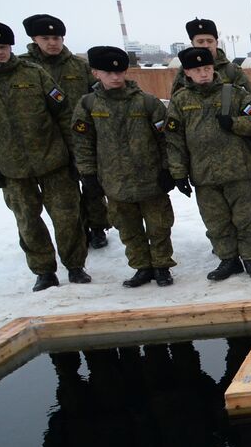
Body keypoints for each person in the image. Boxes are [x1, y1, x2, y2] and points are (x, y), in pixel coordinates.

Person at [0, 18, 90, 291]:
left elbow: (63, 115)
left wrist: (75, 155)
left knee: (67, 217)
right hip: (9, 165)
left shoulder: (32, 72)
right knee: (27, 221)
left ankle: (75, 266)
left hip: (53, 159)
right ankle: (44, 271)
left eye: (3, 46)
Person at [72, 46, 177, 288]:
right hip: (114, 181)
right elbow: (82, 142)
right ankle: (142, 267)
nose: (115, 77)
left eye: (119, 71)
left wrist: (167, 169)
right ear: (96, 73)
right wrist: (88, 174)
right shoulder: (88, 105)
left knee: (159, 226)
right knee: (128, 229)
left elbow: (166, 140)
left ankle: (162, 266)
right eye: (109, 72)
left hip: (150, 179)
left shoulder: (148, 103)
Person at [166, 46, 251, 280]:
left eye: (207, 68)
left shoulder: (232, 94)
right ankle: (229, 260)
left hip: (238, 170)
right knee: (216, 221)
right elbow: (174, 140)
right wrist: (178, 173)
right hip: (203, 174)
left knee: (245, 217)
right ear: (187, 73)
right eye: (197, 70)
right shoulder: (180, 100)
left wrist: (235, 123)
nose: (203, 73)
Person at [22, 13, 111, 248]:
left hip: (83, 137)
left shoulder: (80, 66)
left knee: (92, 185)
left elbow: (100, 97)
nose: (53, 42)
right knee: (64, 195)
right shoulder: (25, 68)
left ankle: (98, 226)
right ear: (34, 38)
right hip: (44, 142)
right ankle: (76, 231)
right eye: (46, 37)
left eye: (57, 37)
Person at [172, 17, 251, 97]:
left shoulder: (232, 70)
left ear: (216, 43)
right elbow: (175, 102)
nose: (206, 45)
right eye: (200, 42)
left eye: (210, 41)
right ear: (193, 44)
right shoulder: (185, 71)